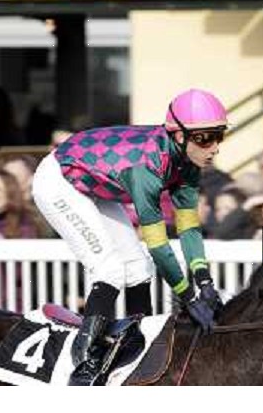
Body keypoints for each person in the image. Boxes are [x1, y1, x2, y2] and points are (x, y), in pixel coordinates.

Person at [31, 88, 226, 386]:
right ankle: (83, 361)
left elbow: (188, 229)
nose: (213, 148)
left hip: (98, 181)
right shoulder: (146, 168)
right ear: (178, 135)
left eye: (218, 135)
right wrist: (187, 297)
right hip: (59, 181)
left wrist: (204, 281)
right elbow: (159, 245)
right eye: (204, 138)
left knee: (139, 267)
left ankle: (139, 343)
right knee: (109, 268)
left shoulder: (188, 162)